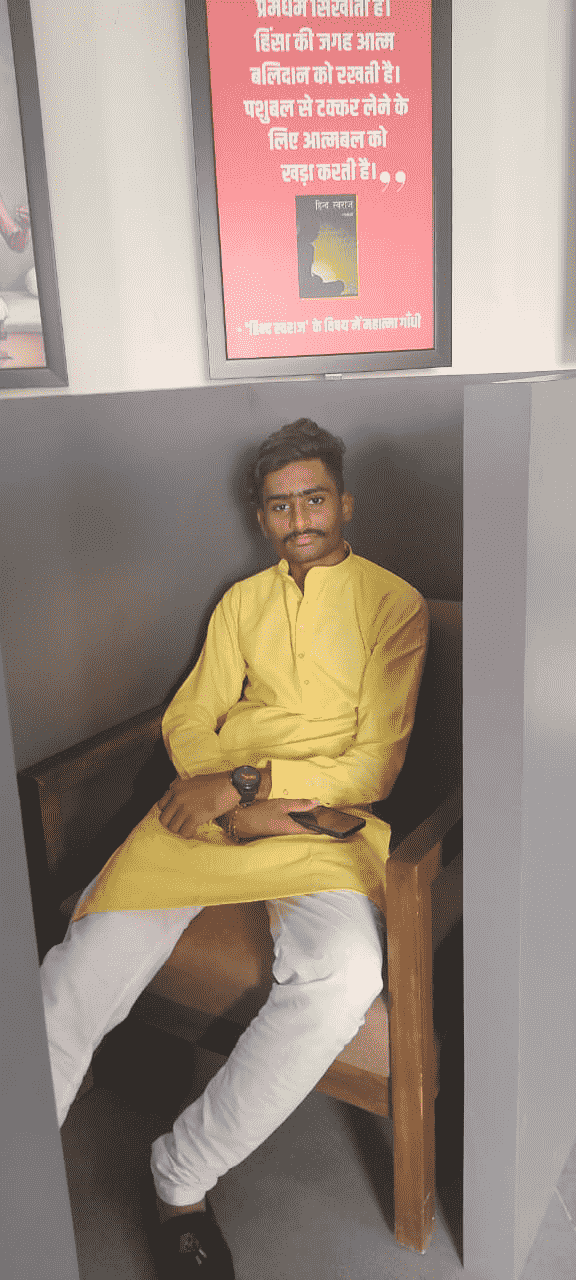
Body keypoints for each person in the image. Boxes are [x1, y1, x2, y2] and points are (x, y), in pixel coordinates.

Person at [40, 419, 429, 1278]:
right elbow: (190, 716)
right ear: (262, 518)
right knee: (77, 969)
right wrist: (219, 792)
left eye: (314, 499)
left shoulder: (393, 604)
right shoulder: (242, 603)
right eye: (281, 506)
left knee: (342, 974)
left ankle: (180, 1176)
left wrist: (253, 790)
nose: (300, 519)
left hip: (317, 828)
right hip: (209, 818)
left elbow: (375, 765)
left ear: (346, 503)